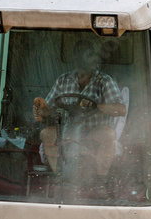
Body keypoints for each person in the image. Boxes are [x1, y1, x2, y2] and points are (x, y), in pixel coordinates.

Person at [33, 40, 127, 187]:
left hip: (93, 132)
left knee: (109, 134)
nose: (82, 58)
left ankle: (100, 182)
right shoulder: (62, 80)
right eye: (79, 54)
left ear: (94, 58)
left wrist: (96, 105)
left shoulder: (104, 81)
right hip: (66, 131)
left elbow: (121, 109)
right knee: (46, 134)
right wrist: (41, 109)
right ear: (74, 58)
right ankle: (60, 177)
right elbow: (48, 109)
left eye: (86, 54)